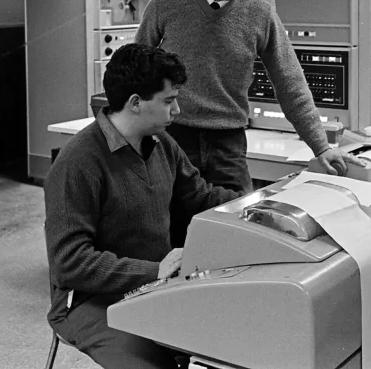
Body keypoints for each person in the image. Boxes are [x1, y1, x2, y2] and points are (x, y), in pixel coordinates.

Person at [135, 0, 361, 246]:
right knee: (173, 234)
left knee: (240, 232)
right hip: (173, 138)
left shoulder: (259, 14)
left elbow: (290, 81)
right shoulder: (168, 3)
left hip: (227, 146)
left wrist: (320, 146)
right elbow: (135, 67)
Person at [44, 43, 242, 369]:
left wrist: (263, 203)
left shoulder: (161, 143)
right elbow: (70, 263)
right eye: (168, 101)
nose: (177, 111)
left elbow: (199, 197)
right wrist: (154, 271)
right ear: (136, 103)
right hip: (88, 301)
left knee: (225, 342)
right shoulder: (78, 162)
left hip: (155, 286)